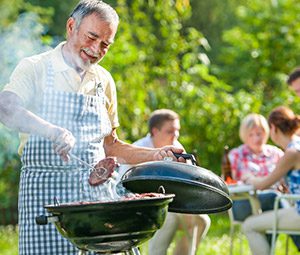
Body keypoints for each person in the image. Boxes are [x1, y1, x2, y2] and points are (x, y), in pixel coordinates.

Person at [0, 1, 185, 255]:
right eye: (92, 37)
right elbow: (6, 108)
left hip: (97, 204)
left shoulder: (103, 81)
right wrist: (52, 130)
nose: (96, 49)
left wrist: (156, 154)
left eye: (105, 45)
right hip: (46, 202)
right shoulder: (36, 68)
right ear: (71, 26)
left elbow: (111, 146)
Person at [133, 109, 211, 255]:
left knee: (201, 220)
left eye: (177, 130)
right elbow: (124, 185)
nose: (176, 135)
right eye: (170, 131)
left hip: (172, 203)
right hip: (140, 206)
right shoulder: (138, 149)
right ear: (155, 131)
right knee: (169, 218)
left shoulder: (176, 146)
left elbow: (187, 179)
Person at [242, 106, 300, 255]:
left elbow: (262, 185)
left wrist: (250, 178)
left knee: (249, 226)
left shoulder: (292, 152)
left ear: (273, 128)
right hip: (294, 205)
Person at [228, 113, 284, 221]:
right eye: (251, 135)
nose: (256, 138)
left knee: (276, 201)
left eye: (259, 134)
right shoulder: (235, 155)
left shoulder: (276, 153)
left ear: (266, 133)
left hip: (275, 200)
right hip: (244, 201)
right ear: (244, 135)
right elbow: (229, 183)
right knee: (273, 198)